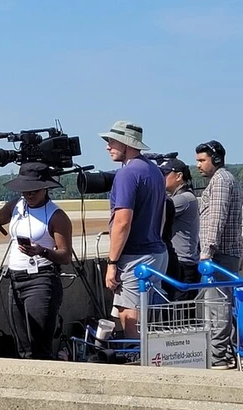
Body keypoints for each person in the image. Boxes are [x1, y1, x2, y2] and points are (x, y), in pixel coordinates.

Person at [0, 163, 73, 359]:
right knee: (23, 347)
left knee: (39, 347)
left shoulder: (57, 216)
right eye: (24, 190)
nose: (28, 195)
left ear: (45, 188)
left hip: (41, 281)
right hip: (16, 280)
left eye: (33, 191)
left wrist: (40, 251)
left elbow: (65, 255)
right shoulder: (16, 205)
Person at [100, 121, 168, 342]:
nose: (107, 147)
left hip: (135, 257)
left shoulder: (127, 174)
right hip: (157, 252)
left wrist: (112, 264)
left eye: (111, 141)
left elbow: (122, 222)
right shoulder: (155, 171)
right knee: (152, 322)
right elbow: (163, 214)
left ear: (126, 144)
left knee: (131, 321)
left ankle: (139, 367)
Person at [195, 140, 243, 369]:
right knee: (219, 307)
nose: (198, 165)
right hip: (222, 255)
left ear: (215, 159)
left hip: (219, 256)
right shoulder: (223, 179)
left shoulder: (221, 181)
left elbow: (216, 218)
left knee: (218, 309)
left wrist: (206, 253)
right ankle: (225, 353)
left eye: (202, 160)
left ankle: (218, 357)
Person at [158, 158, 200, 299]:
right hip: (183, 263)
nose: (161, 178)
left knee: (179, 315)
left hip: (182, 265)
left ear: (178, 176)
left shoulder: (184, 199)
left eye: (165, 174)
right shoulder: (186, 196)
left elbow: (155, 212)